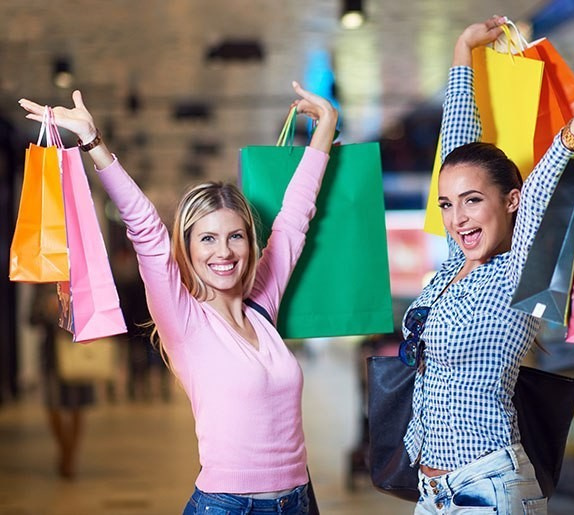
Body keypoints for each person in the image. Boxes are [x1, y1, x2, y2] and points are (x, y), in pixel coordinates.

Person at [20, 80, 337, 514]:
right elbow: (146, 229)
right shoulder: (184, 319)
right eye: (207, 239)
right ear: (186, 249)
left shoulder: (263, 305)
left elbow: (296, 215)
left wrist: (326, 126)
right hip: (228, 506)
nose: (223, 252)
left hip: (299, 501)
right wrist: (94, 142)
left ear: (250, 243)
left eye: (235, 237)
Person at [399, 16, 574, 514]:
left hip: (489, 488)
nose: (456, 218)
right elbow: (457, 148)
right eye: (447, 205)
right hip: (432, 494)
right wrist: (462, 53)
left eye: (472, 202)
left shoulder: (519, 271)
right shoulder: (453, 266)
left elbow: (537, 200)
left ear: (510, 202)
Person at [29, 283, 96, 479]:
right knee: (53, 405)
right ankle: (64, 449)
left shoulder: (81, 279)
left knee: (77, 406)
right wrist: (48, 310)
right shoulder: (40, 286)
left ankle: (70, 456)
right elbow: (31, 318)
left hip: (78, 352)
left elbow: (94, 312)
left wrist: (70, 309)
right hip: (51, 356)